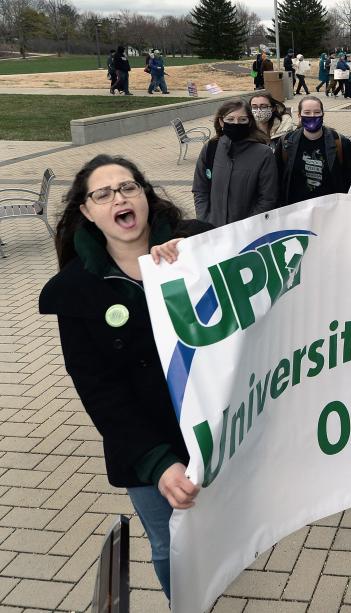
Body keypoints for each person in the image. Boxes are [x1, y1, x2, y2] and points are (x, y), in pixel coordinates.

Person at [39, 155, 210, 602]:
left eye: (129, 187)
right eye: (104, 193)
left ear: (145, 197)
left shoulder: (200, 245)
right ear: (88, 211)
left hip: (216, 425)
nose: (119, 197)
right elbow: (100, 391)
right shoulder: (76, 290)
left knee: (222, 530)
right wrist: (157, 463)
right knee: (169, 546)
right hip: (145, 447)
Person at [193, 100, 278, 226]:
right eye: (230, 119)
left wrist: (246, 227)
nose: (236, 124)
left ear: (249, 122)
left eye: (242, 120)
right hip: (213, 230)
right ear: (221, 122)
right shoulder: (211, 148)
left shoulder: (263, 153)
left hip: (248, 234)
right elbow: (200, 189)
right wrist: (205, 220)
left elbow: (268, 198)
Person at [277, 95, 351, 205]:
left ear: (323, 114)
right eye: (307, 113)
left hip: (331, 210)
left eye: (317, 112)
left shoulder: (340, 143)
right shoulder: (286, 143)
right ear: (299, 115)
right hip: (296, 211)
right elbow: (278, 179)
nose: (312, 116)